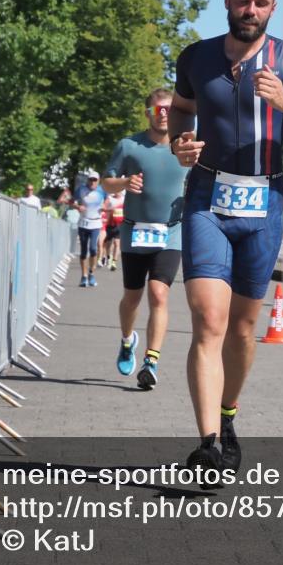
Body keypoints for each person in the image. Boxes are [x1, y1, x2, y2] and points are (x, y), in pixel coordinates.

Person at [169, 0, 283, 477]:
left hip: (264, 204)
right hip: (206, 197)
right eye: (243, 0)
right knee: (209, 322)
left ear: (273, 7)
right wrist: (181, 142)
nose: (251, 11)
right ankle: (208, 445)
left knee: (243, 330)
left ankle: (228, 414)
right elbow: (180, 109)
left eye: (261, 3)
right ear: (227, 0)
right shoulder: (196, 56)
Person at [101, 89, 186, 388]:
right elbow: (107, 183)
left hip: (172, 232)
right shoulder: (129, 146)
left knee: (159, 295)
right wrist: (124, 182)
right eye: (157, 109)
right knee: (132, 298)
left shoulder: (186, 147)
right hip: (135, 231)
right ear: (148, 113)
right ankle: (127, 340)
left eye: (168, 110)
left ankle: (151, 361)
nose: (163, 114)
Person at [74, 170, 105, 287]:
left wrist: (104, 207)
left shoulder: (102, 190)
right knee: (83, 251)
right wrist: (78, 206)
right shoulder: (81, 189)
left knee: (93, 249)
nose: (92, 182)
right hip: (83, 223)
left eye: (95, 180)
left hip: (96, 224)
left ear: (98, 181)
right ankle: (84, 276)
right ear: (88, 180)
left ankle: (91, 273)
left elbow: (107, 201)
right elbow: (72, 201)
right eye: (91, 179)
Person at [103, 189, 126, 271]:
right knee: (108, 244)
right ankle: (108, 256)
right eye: (116, 189)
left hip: (120, 224)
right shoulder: (110, 198)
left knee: (117, 243)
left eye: (119, 190)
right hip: (110, 224)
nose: (118, 191)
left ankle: (114, 262)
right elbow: (103, 208)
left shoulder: (124, 199)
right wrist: (110, 210)